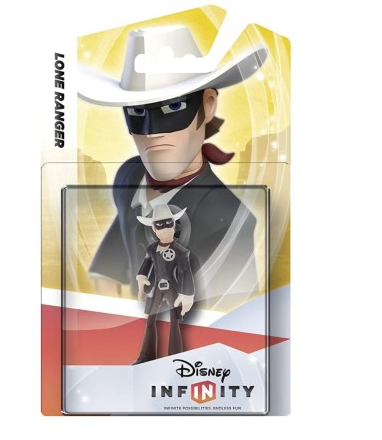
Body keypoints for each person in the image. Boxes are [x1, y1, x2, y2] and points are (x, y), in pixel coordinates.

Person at [77, 24, 267, 306]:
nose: (152, 133)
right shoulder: (130, 176)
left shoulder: (229, 219)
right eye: (137, 110)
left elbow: (233, 315)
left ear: (208, 105)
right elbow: (110, 268)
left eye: (174, 107)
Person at [133, 206, 194, 364]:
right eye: (160, 225)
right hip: (156, 289)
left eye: (169, 223)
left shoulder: (181, 251)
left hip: (173, 289)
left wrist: (187, 295)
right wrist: (141, 284)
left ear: (174, 225)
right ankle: (145, 356)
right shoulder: (151, 249)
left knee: (174, 322)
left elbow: (185, 272)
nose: (166, 228)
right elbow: (145, 266)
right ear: (154, 229)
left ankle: (175, 357)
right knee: (150, 321)